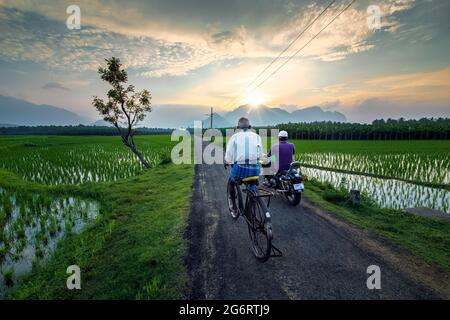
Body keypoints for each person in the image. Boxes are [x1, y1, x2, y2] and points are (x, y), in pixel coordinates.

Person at [224, 117, 263, 215]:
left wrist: (227, 161)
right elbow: (260, 153)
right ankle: (252, 202)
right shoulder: (257, 136)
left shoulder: (235, 136)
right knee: (252, 183)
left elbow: (229, 152)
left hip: (240, 169)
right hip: (255, 170)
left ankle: (233, 206)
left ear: (238, 127)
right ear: (250, 126)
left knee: (232, 180)